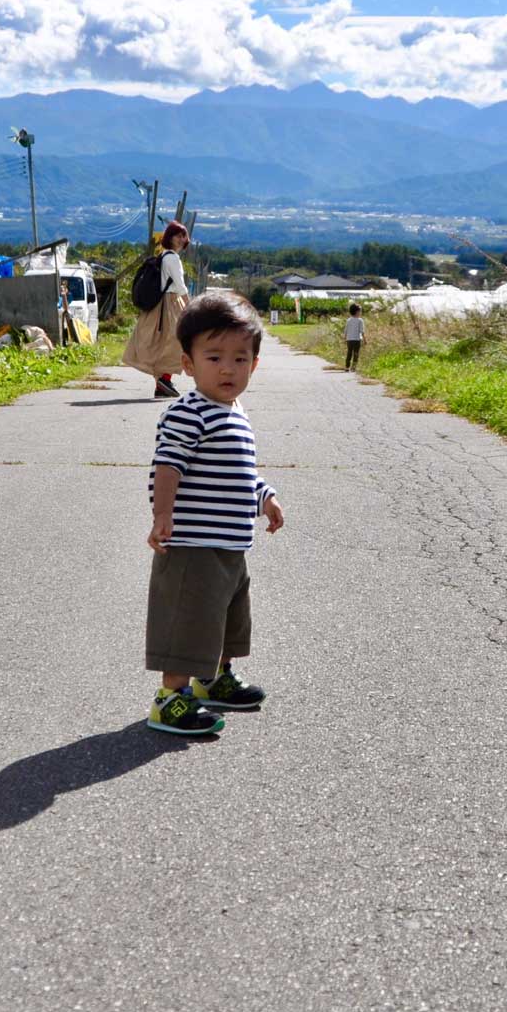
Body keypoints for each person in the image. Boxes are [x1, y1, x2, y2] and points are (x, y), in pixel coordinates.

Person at [143, 292, 285, 738]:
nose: (228, 368)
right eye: (214, 356)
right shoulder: (189, 411)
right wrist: (162, 514)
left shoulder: (236, 413)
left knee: (224, 617)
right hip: (192, 544)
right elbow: (168, 464)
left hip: (230, 545)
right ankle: (171, 699)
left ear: (254, 365)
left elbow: (241, 472)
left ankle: (214, 679)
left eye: (240, 358)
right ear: (188, 364)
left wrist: (265, 497)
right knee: (187, 620)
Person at [121, 220, 191, 399]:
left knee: (160, 344)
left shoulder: (163, 256)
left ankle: (161, 384)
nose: (181, 239)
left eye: (183, 235)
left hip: (158, 306)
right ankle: (164, 380)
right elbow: (180, 286)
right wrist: (191, 306)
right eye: (177, 235)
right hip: (171, 303)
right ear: (170, 238)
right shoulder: (173, 258)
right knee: (178, 342)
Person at [343, 302, 365, 371]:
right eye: (360, 311)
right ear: (357, 312)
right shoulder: (360, 320)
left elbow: (346, 330)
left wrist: (345, 338)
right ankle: (353, 367)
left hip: (349, 340)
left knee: (349, 353)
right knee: (356, 354)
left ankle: (347, 367)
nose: (361, 312)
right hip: (357, 340)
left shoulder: (348, 320)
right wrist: (365, 339)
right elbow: (362, 331)